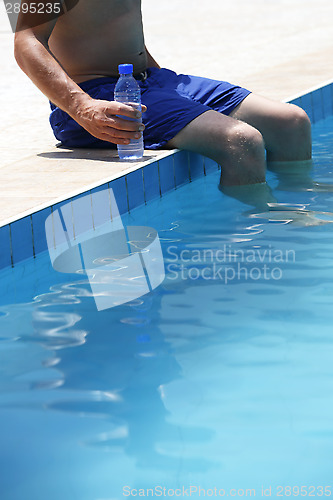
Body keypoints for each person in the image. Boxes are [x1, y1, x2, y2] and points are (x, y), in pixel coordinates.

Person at [14, 0, 312, 187]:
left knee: (291, 122)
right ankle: (257, 238)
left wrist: (162, 85)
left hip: (151, 80)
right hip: (100, 96)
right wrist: (82, 107)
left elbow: (115, 27)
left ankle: (299, 209)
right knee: (240, 140)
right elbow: (25, 41)